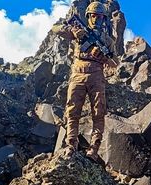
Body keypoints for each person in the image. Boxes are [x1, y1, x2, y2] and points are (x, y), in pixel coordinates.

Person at [52, 2, 117, 163]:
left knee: (98, 113)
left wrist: (103, 56)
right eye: (93, 15)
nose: (96, 19)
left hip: (96, 75)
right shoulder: (79, 31)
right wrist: (74, 32)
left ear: (104, 18)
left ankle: (94, 149)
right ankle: (71, 144)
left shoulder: (108, 41)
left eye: (100, 16)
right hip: (77, 73)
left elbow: (115, 63)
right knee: (72, 111)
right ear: (88, 16)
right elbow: (55, 28)